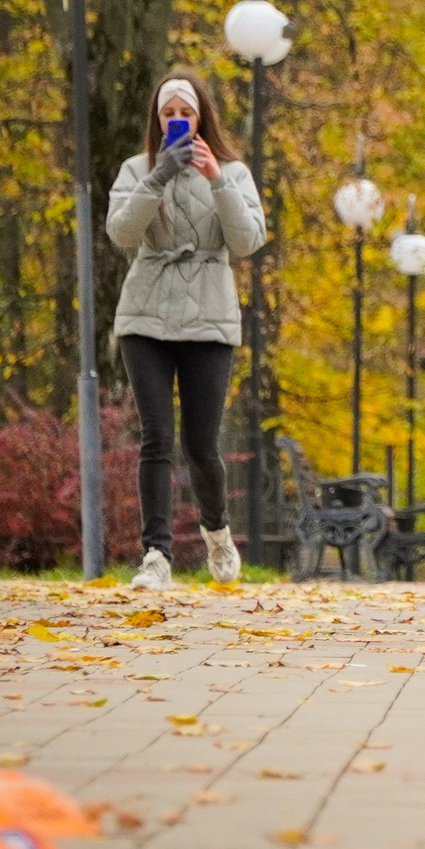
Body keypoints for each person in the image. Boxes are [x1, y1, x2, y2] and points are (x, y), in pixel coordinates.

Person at [105, 71, 268, 589]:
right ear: (157, 120)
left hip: (209, 317)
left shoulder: (234, 173)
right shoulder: (136, 169)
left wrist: (216, 179)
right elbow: (121, 234)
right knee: (156, 438)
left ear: (202, 119)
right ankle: (156, 556)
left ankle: (217, 533)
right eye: (168, 114)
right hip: (146, 315)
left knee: (201, 445)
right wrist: (156, 179)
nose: (177, 122)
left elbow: (246, 243)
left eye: (186, 113)